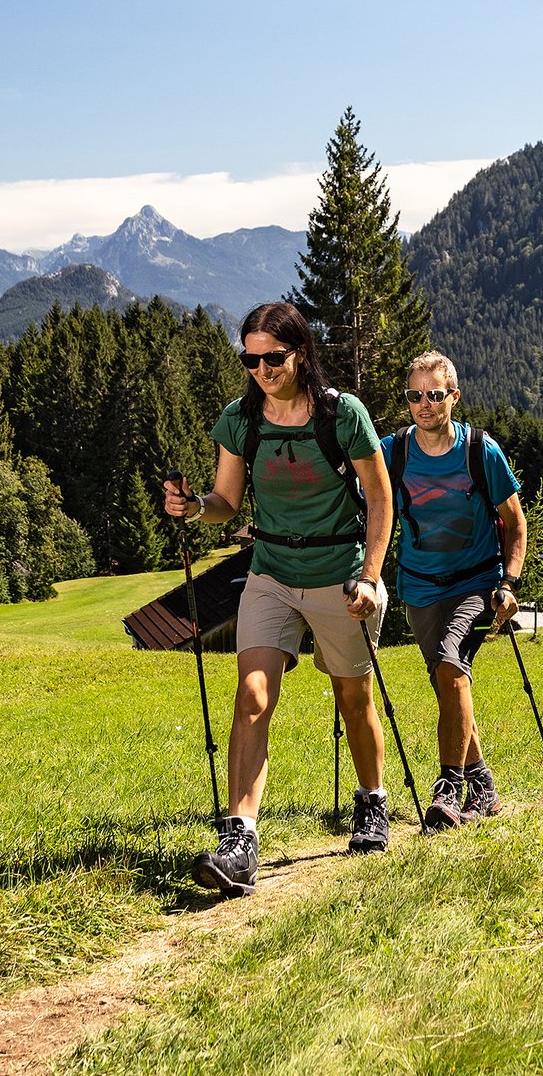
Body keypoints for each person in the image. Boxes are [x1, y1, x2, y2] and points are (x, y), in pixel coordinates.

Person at [164, 300, 395, 896]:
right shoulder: (241, 420)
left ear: (301, 353)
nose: (262, 368)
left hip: (340, 574)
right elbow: (226, 502)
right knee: (252, 691)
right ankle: (240, 838)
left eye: (274, 357)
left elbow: (379, 496)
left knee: (352, 694)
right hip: (269, 570)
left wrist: (371, 575)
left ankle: (372, 798)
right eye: (251, 358)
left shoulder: (343, 415)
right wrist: (194, 509)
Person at [380, 351, 527, 832]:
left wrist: (508, 583)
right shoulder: (393, 451)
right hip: (418, 587)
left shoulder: (480, 451)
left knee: (450, 666)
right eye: (414, 395)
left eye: (435, 394)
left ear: (454, 397)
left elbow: (515, 523)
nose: (424, 404)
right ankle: (483, 783)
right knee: (449, 683)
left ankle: (450, 788)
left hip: (477, 583)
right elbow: (349, 482)